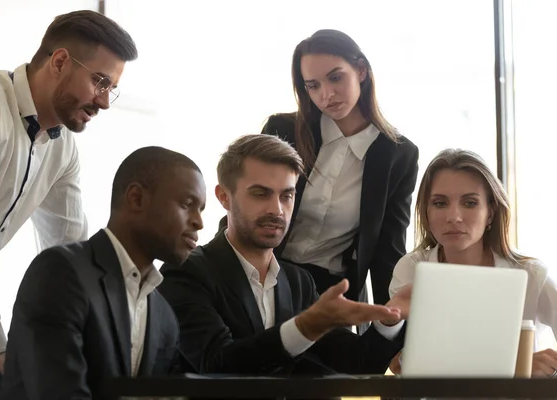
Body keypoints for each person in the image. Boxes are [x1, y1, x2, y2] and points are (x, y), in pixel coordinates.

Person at [0, 10, 137, 371]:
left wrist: (97, 344)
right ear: (59, 62)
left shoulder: (63, 148)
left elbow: (69, 252)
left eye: (110, 90)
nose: (103, 101)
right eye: (99, 82)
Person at [160, 134, 410, 376]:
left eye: (286, 196)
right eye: (261, 194)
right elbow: (216, 363)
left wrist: (389, 319)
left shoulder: (298, 282)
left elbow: (357, 363)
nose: (277, 209)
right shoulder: (186, 272)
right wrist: (305, 327)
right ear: (224, 197)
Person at [2, 146, 206, 400]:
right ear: (136, 198)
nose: (199, 222)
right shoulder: (60, 273)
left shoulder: (164, 315)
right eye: (188, 204)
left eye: (201, 210)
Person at [257, 29, 419, 308]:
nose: (326, 94)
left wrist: (390, 326)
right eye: (313, 85)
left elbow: (387, 249)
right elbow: (245, 208)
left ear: (361, 71)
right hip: (263, 274)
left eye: (335, 77)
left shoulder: (398, 155)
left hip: (330, 291)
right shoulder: (282, 131)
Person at [388, 148, 557, 378]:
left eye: (469, 203)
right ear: (426, 212)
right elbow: (401, 363)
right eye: (440, 203)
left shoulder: (530, 274)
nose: (454, 216)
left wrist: (544, 369)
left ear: (490, 213)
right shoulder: (411, 270)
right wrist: (516, 364)